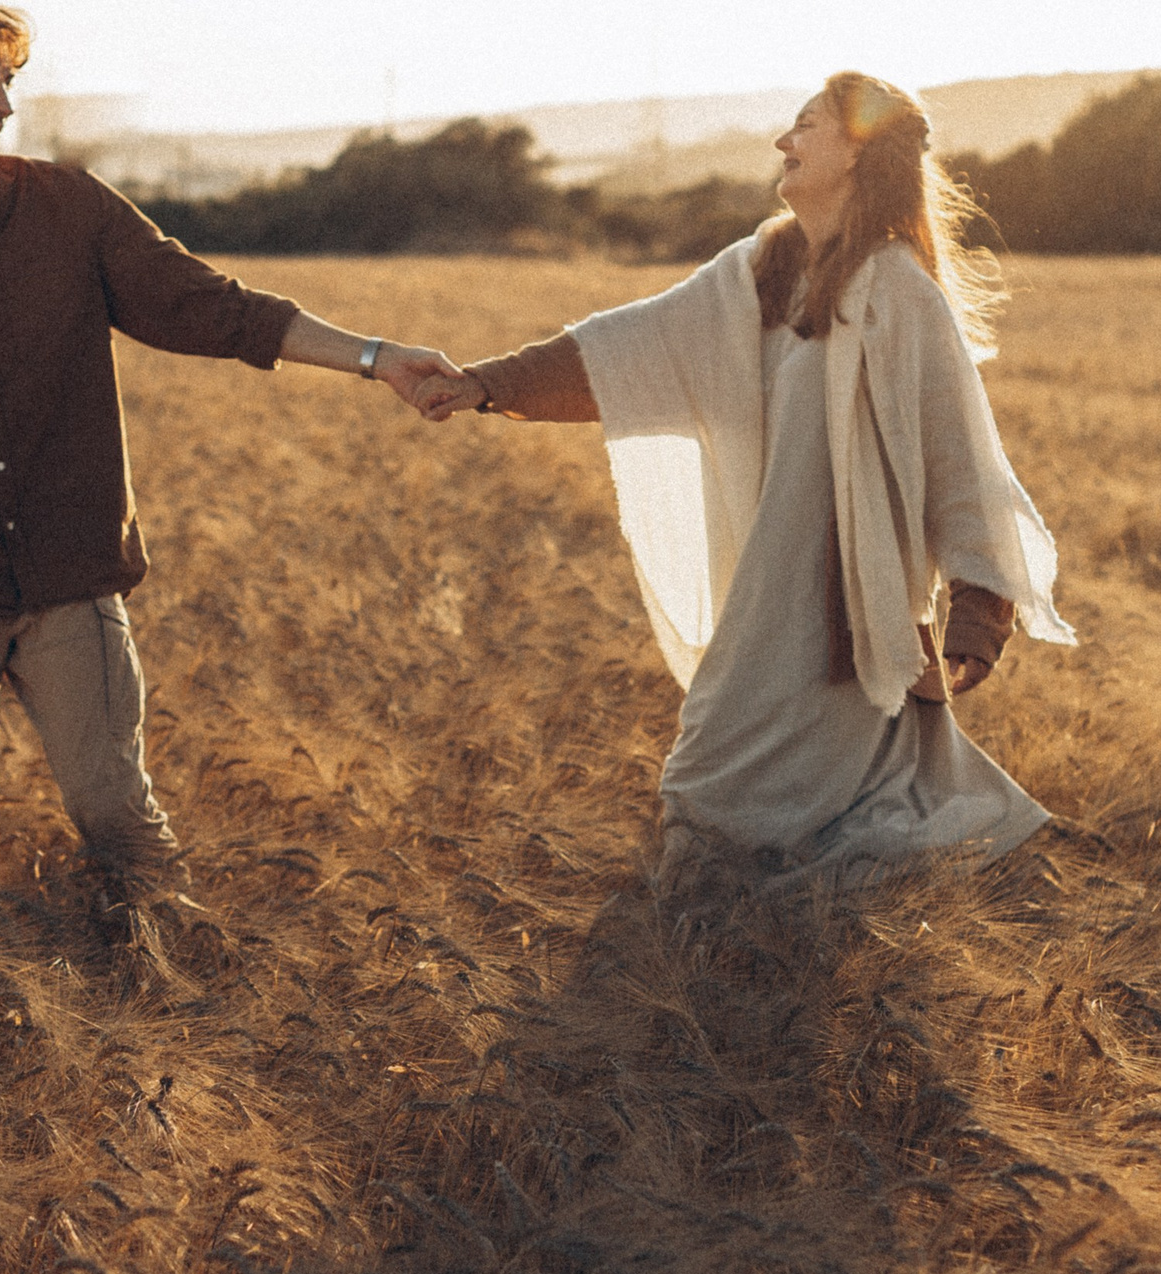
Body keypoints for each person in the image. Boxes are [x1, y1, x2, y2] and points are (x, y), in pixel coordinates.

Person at [0, 0, 464, 930]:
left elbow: (211, 306)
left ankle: (187, 1006)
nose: (3, 105)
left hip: (68, 581)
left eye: (8, 83)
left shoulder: (68, 211)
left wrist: (376, 356)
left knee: (120, 817)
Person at [422, 73, 1075, 891]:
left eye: (805, 126)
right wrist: (489, 383)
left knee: (762, 821)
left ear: (859, 153)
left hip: (846, 621)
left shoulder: (904, 296)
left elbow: (963, 461)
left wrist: (978, 616)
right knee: (706, 792)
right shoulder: (762, 269)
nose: (783, 142)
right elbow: (632, 349)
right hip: (761, 601)